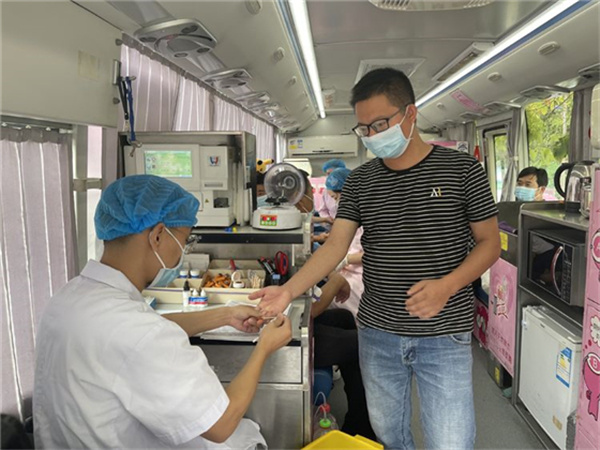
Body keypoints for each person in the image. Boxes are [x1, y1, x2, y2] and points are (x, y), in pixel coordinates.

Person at [250, 68, 500, 449]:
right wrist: (288, 291)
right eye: (364, 128)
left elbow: (489, 244)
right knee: (388, 434)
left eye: (380, 124)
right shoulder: (361, 181)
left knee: (451, 441)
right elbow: (335, 247)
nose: (371, 135)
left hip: (443, 332)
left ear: (410, 114)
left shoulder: (462, 170)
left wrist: (447, 286)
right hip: (378, 332)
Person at [33, 174, 291, 449]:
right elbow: (221, 425)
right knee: (244, 436)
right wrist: (263, 348)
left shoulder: (69, 297)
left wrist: (226, 315)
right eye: (185, 241)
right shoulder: (141, 332)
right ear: (157, 236)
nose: (183, 253)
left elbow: (144, 330)